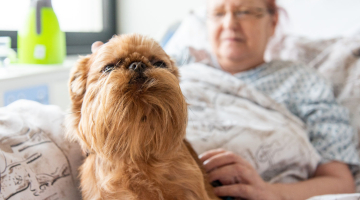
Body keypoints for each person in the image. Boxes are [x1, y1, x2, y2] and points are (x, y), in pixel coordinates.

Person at [91, 1, 359, 198]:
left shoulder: (303, 81)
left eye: (244, 11)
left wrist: (270, 192)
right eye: (218, 13)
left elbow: (341, 182)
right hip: (117, 167)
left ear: (272, 21)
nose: (230, 23)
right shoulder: (180, 61)